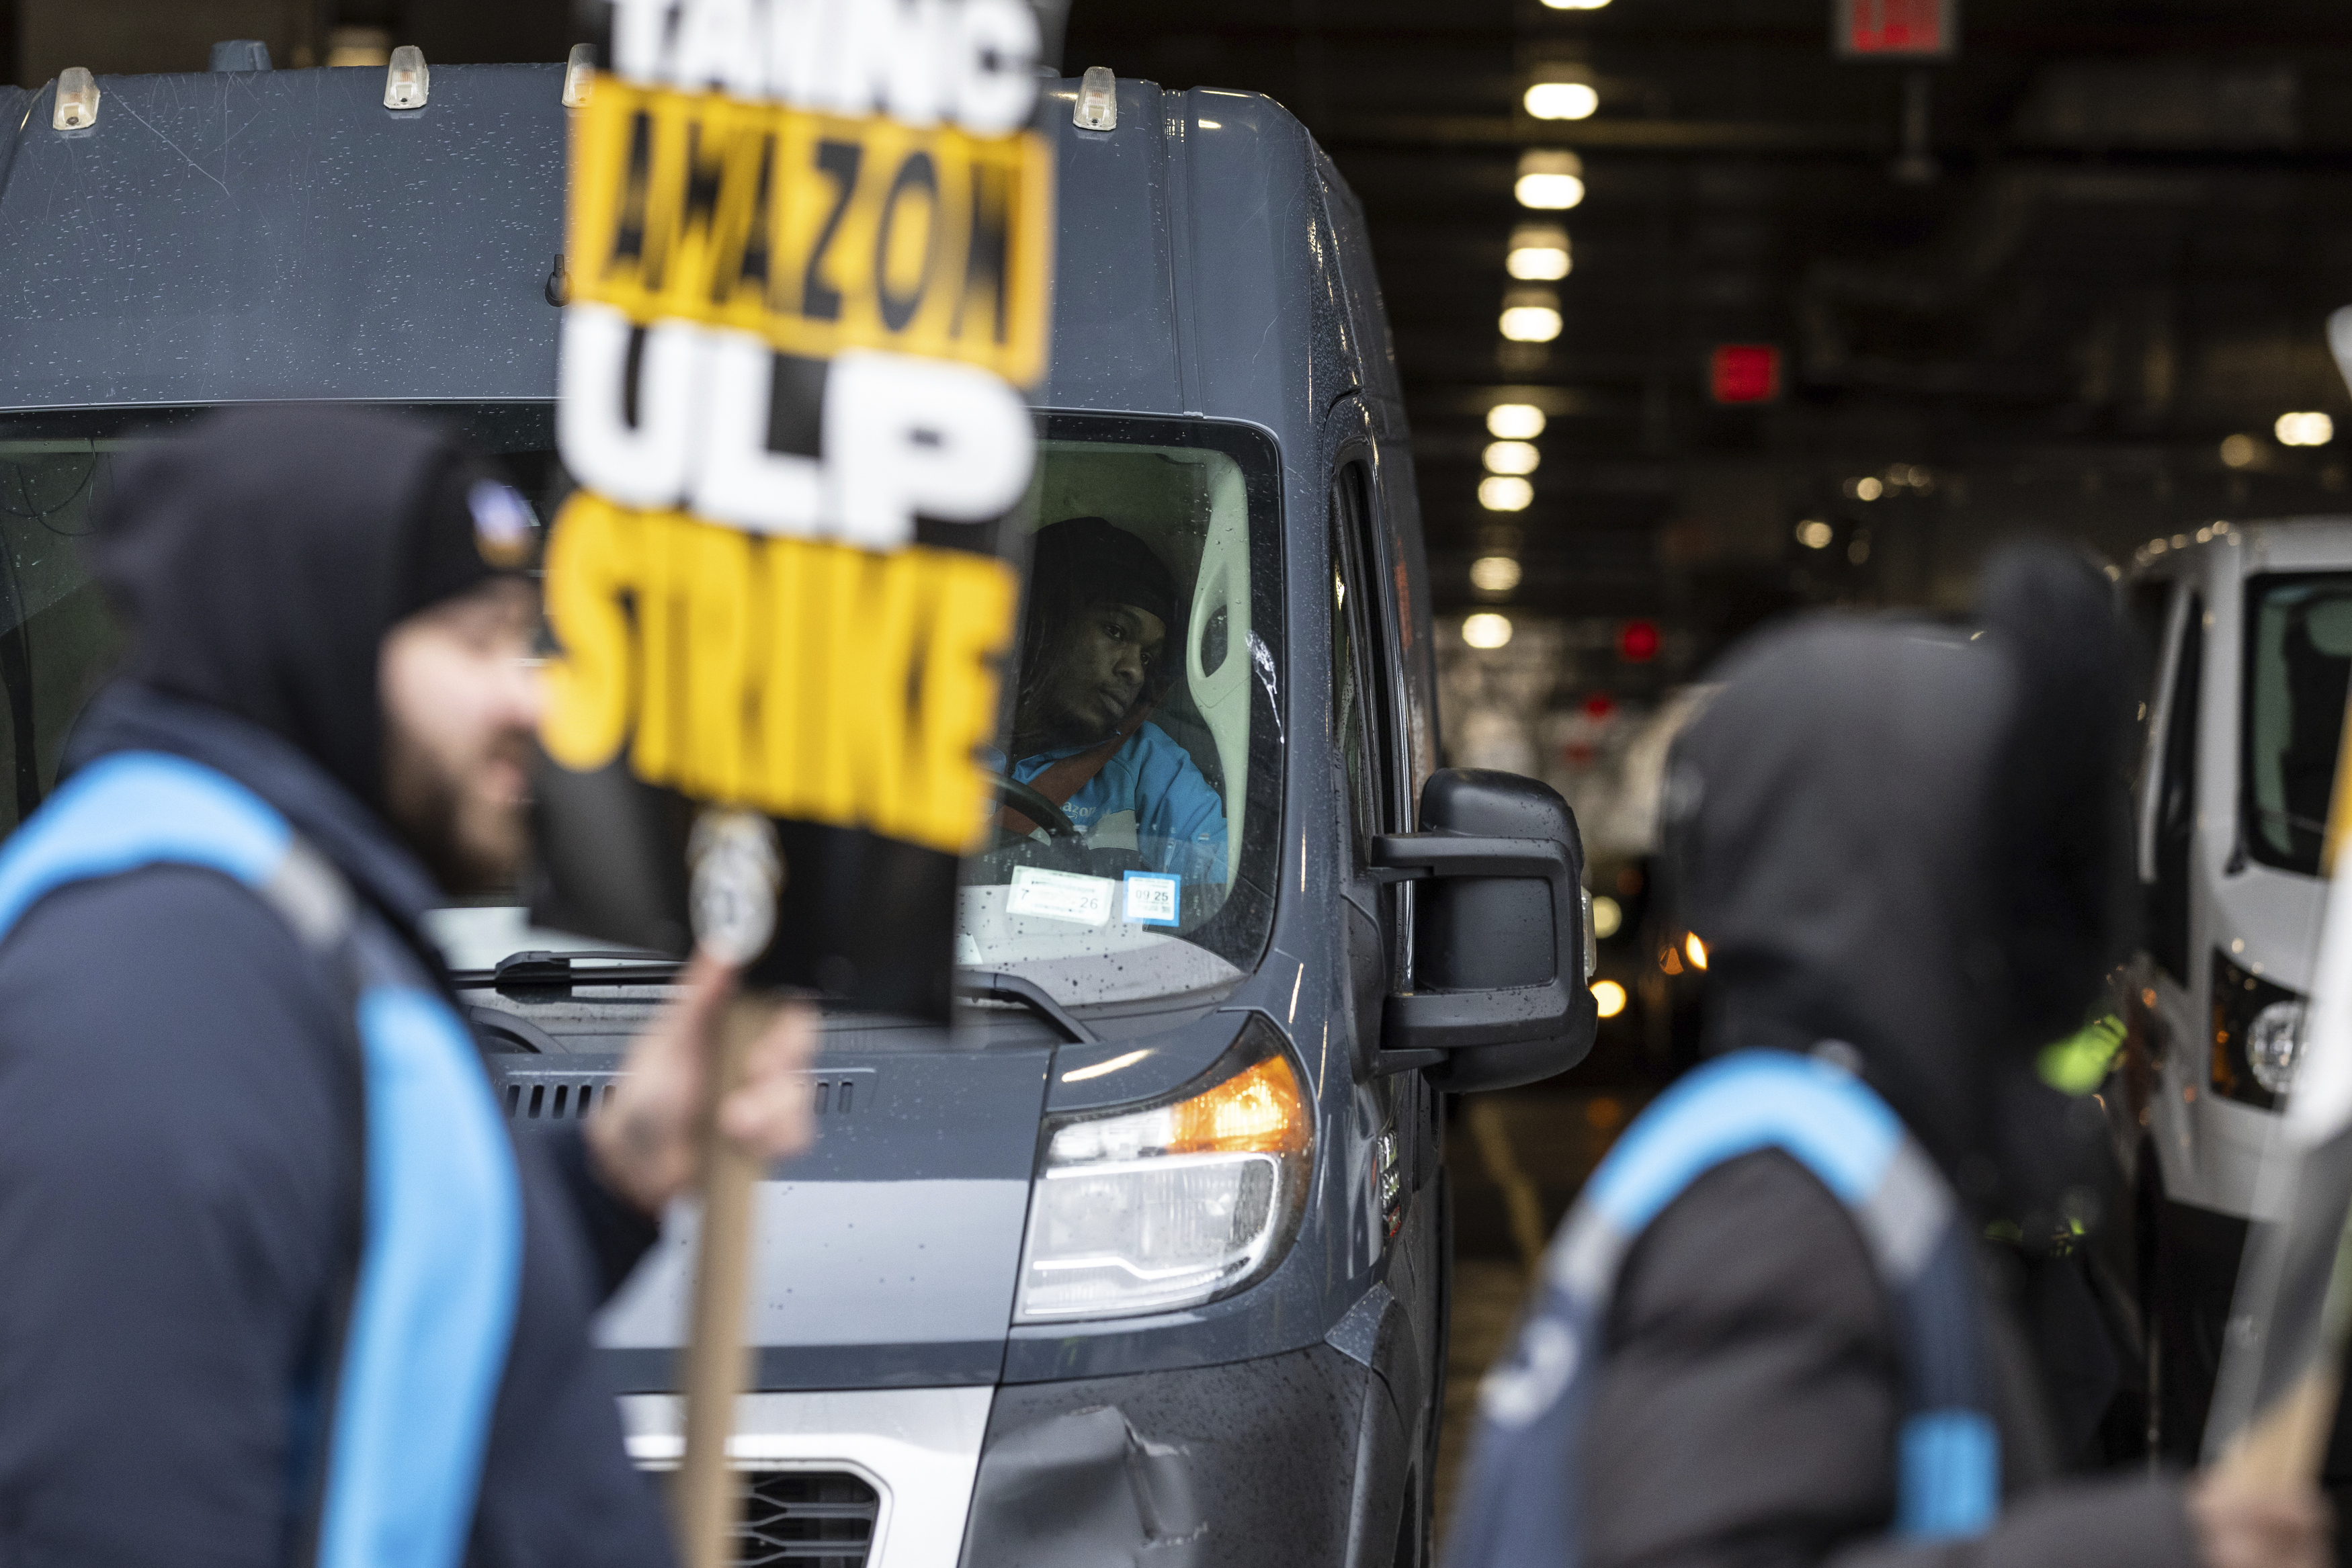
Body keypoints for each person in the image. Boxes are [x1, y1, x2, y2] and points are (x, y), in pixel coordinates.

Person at [0, 407, 816, 1567]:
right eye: (479, 642)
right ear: (316, 642)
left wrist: (612, 1171)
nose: (533, 698)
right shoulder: (148, 979)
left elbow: (361, 1332)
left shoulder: (269, 920)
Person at [1446, 544, 2329, 1568]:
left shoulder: (1814, 1157)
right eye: (2001, 850)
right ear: (1903, 867)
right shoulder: (1780, 1217)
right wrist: (2135, 1545)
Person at [991, 515, 1226, 883]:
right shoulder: (938, 726)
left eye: (1147, 657)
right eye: (1115, 631)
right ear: (1044, 623)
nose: (1134, 671)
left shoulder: (1149, 768)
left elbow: (1229, 887)